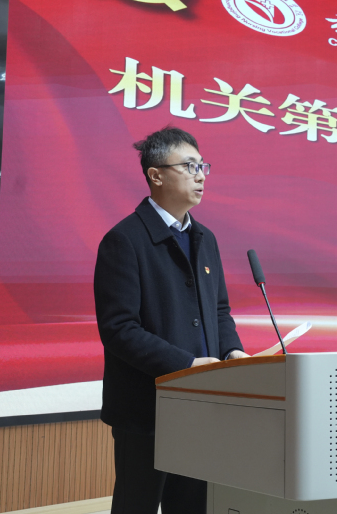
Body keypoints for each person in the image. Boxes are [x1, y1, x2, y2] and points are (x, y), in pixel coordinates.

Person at [94, 126, 249, 514]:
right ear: (156, 175)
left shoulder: (205, 238)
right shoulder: (125, 240)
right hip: (147, 408)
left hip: (200, 404)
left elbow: (219, 310)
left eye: (203, 166)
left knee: (194, 505)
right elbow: (119, 329)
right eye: (189, 166)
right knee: (137, 505)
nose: (200, 175)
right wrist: (186, 365)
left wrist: (232, 351)